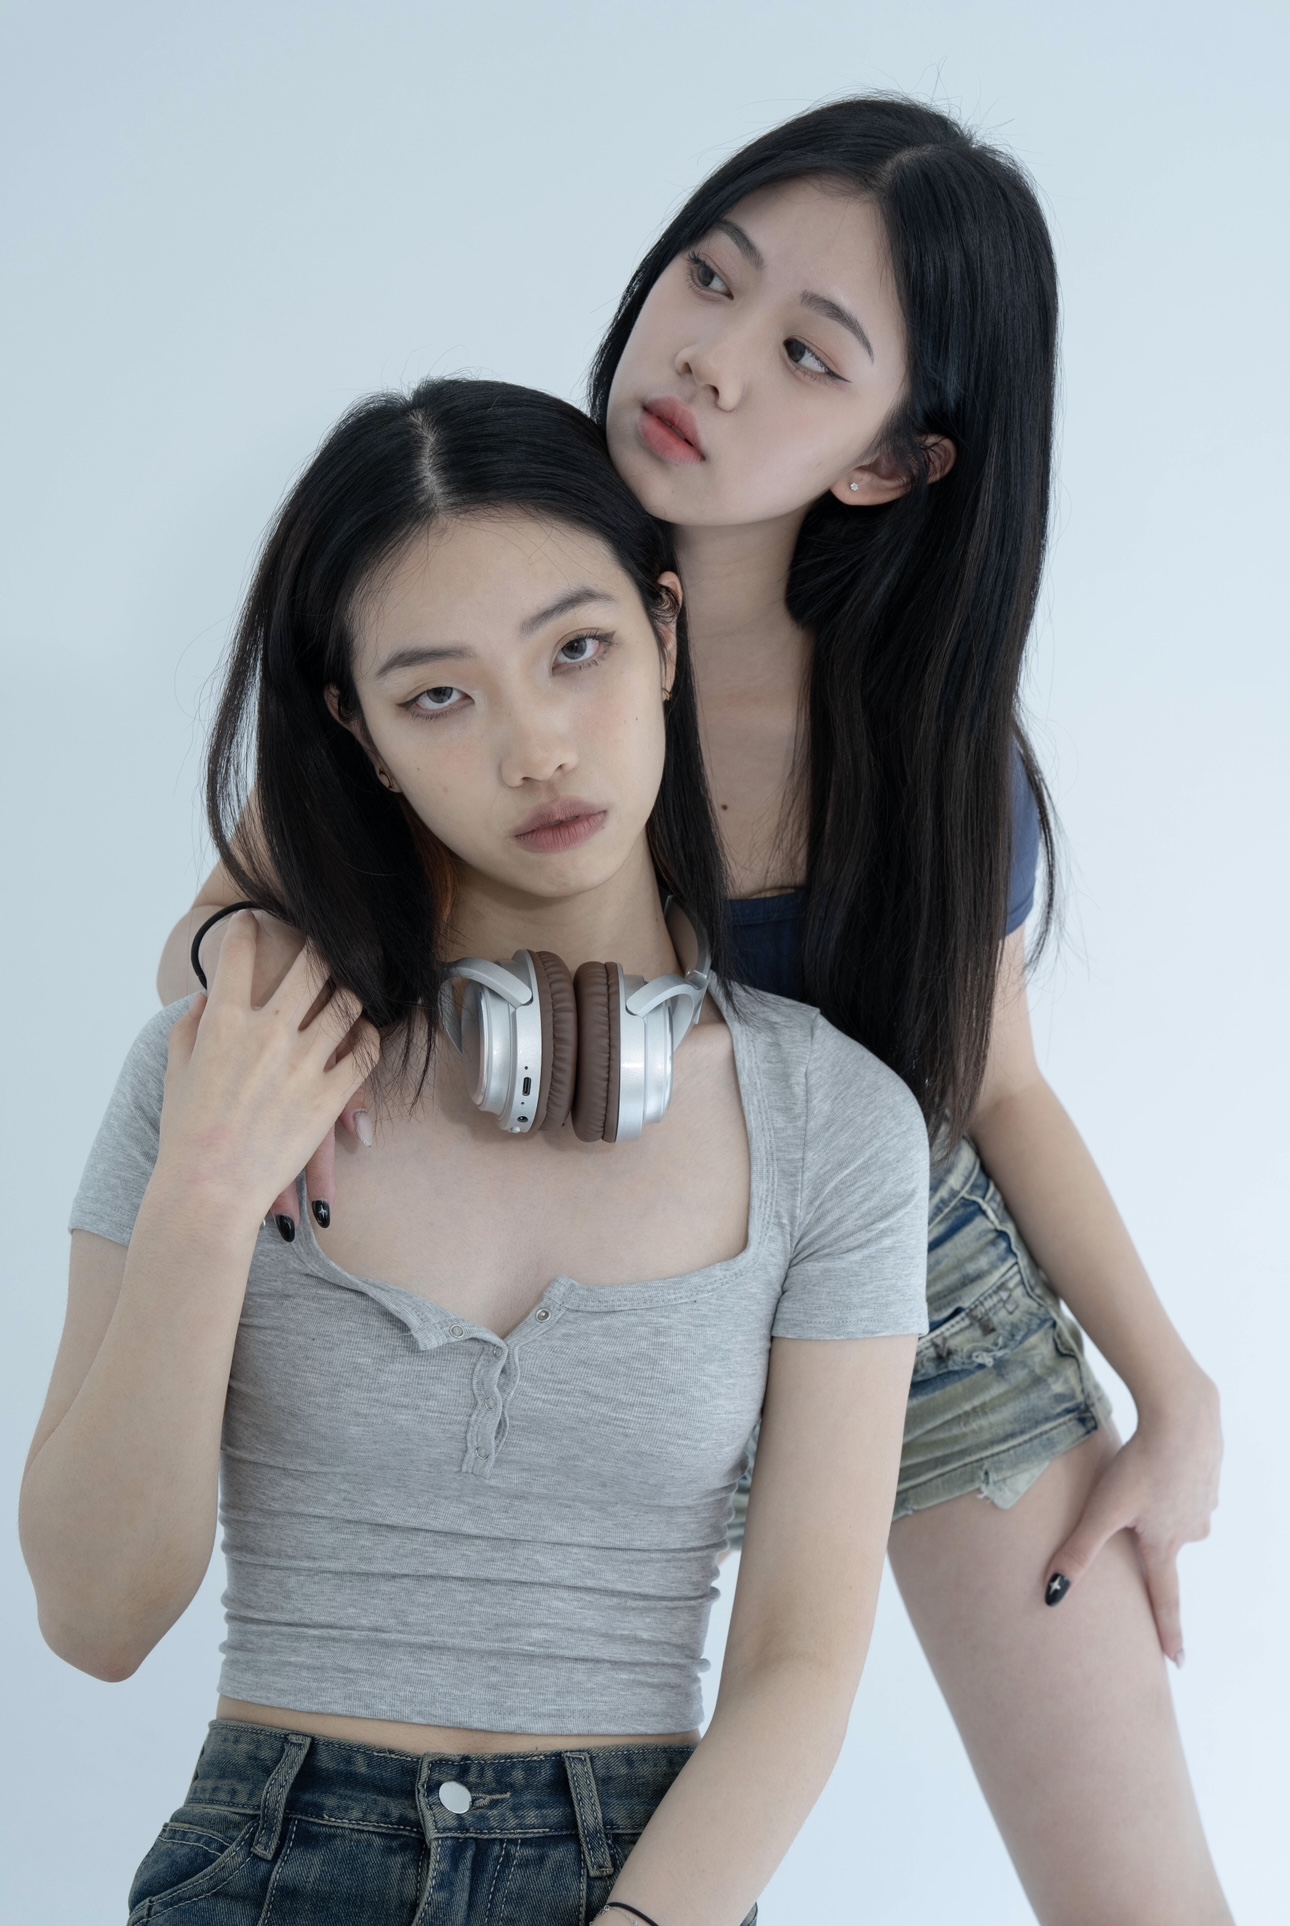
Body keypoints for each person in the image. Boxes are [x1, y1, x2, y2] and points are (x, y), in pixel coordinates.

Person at [158, 97, 1231, 1922]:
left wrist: (1174, 1382)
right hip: (572, 1298)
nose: (710, 361)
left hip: (896, 1291)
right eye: (709, 278)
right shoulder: (484, 589)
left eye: (807, 353)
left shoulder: (913, 746)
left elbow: (996, 1092)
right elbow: (216, 941)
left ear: (889, 463)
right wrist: (285, 1058)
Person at [21, 378, 930, 1926]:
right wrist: (208, 1189)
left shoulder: (830, 1121)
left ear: (662, 633)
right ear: (360, 734)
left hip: (643, 1880)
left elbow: (797, 1657)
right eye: (438, 695)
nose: (535, 749)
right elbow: (95, 1619)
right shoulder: (217, 1074)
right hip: (266, 1866)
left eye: (574, 650)